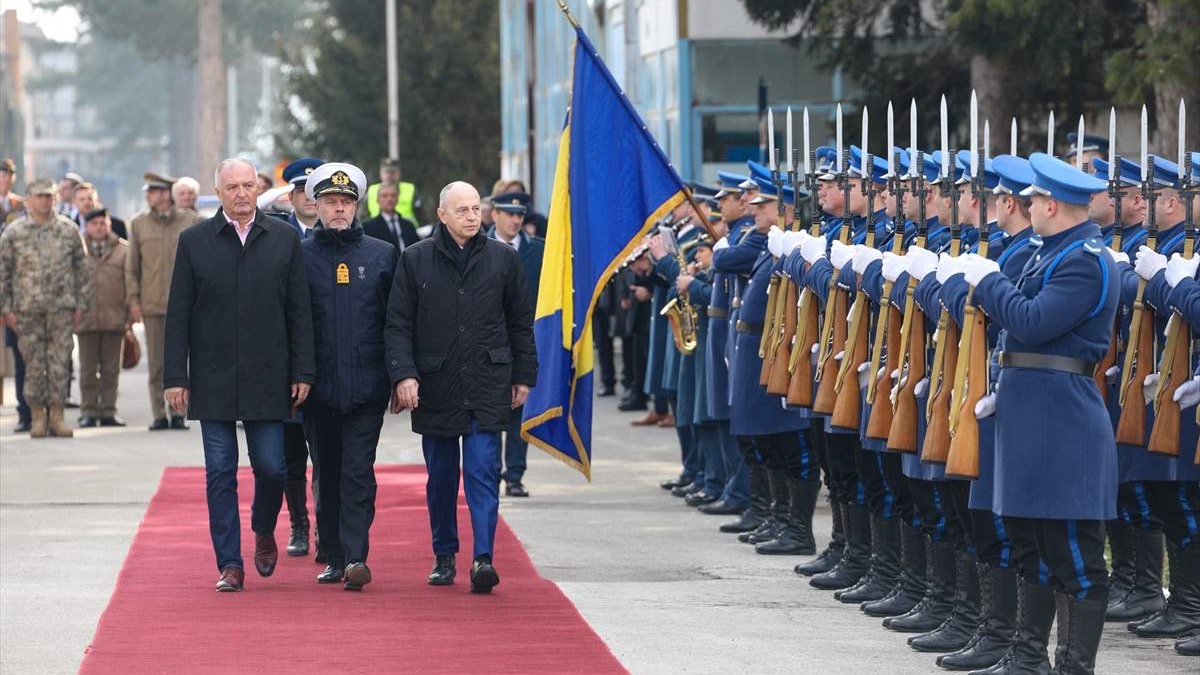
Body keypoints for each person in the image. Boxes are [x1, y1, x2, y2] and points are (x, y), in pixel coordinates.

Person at [958, 152, 1118, 674]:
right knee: (1030, 545)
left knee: (1073, 553)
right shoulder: (1047, 252)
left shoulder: (1085, 260)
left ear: (1052, 204)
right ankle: (1028, 659)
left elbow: (1031, 321)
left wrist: (987, 282)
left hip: (1062, 421)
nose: (1025, 209)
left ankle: (1072, 668)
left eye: (1031, 201)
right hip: (1031, 415)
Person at [163, 157, 315, 593]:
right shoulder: (195, 242)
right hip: (213, 377)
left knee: (272, 467)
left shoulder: (284, 239)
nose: (242, 193)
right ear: (220, 192)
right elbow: (178, 316)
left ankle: (264, 528)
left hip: (270, 375)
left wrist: (303, 369)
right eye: (232, 187)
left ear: (258, 188)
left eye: (249, 185)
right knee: (220, 472)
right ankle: (230, 562)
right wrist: (176, 377)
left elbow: (299, 312)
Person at [385, 180, 537, 594]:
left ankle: (483, 557)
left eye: (476, 209)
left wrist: (524, 376)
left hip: (488, 380)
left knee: (483, 471)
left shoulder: (503, 261)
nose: (472, 217)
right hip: (434, 384)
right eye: (463, 210)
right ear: (442, 215)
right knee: (441, 477)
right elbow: (398, 323)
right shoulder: (415, 260)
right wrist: (404, 374)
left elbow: (521, 324)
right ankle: (444, 554)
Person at [298, 162, 397, 590]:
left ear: (357, 206)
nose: (339, 209)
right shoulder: (298, 257)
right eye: (330, 201)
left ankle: (357, 556)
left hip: (366, 387)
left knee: (359, 471)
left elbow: (397, 321)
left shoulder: (381, 254)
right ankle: (334, 554)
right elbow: (292, 323)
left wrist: (399, 376)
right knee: (327, 470)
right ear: (315, 205)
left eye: (346, 202)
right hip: (317, 388)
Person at [0, 178, 89, 438]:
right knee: (33, 365)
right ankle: (37, 415)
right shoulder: (14, 233)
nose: (44, 201)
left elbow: (82, 271)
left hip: (61, 310)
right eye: (39, 196)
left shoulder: (68, 230)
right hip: (27, 311)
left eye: (49, 196)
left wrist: (82, 304)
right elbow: (3, 273)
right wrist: (6, 309)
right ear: (28, 200)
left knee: (60, 364)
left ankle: (58, 416)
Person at [126, 171, 203, 431]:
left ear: (165, 194)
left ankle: (179, 411)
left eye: (153, 191)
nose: (148, 196)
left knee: (185, 361)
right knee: (157, 363)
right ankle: (159, 413)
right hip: (154, 305)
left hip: (188, 306)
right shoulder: (138, 224)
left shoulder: (192, 221)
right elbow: (132, 267)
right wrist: (134, 300)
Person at [277, 157, 323, 559]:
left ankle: (326, 526)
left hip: (327, 362)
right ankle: (298, 526)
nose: (309, 199)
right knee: (292, 455)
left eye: (315, 191)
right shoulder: (276, 236)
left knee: (326, 454)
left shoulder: (342, 233)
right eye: (301, 192)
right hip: (288, 364)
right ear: (290, 198)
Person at [487, 191, 544, 498]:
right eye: (508, 213)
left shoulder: (539, 250)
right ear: (494, 214)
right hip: (488, 341)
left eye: (520, 215)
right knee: (492, 411)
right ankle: (491, 471)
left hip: (525, 340)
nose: (515, 220)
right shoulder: (477, 247)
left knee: (519, 409)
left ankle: (516, 475)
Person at [75, 208, 129, 428]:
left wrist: (131, 310)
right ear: (87, 226)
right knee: (88, 370)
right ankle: (88, 410)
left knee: (110, 370)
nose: (99, 227)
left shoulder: (123, 250)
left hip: (114, 317)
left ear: (109, 225)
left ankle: (108, 410)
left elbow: (131, 281)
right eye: (94, 223)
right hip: (85, 318)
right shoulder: (77, 250)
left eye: (103, 222)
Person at [0, 158, 30, 433]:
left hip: (17, 290)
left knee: (21, 355)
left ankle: (25, 411)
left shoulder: (23, 208)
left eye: (8, 175)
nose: (5, 180)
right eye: (2, 175)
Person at [363, 182, 419, 252]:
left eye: (393, 195)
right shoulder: (368, 227)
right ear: (378, 200)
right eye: (385, 196)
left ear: (398, 199)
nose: (389, 199)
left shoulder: (408, 226)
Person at [365, 158, 420, 223]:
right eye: (386, 172)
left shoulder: (410, 189)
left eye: (393, 172)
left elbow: (421, 215)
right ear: (380, 173)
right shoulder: (372, 190)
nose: (390, 175)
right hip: (376, 230)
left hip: (406, 229)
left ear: (399, 173)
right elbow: (363, 215)